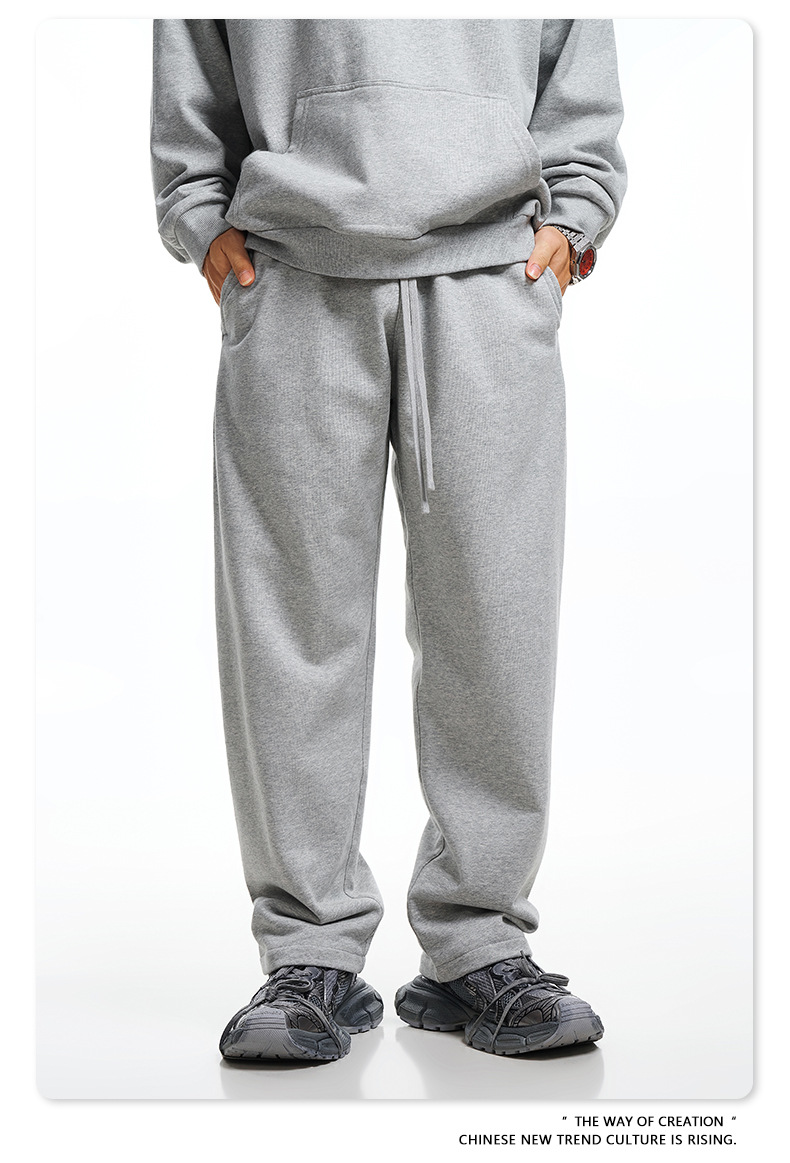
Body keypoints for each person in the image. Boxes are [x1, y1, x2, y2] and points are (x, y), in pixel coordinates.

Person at [150, 17, 627, 1064]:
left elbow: (574, 58)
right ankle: (307, 949)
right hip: (290, 271)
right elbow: (194, 45)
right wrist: (199, 212)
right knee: (292, 630)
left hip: (491, 276)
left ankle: (478, 942)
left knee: (495, 617)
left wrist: (574, 214)